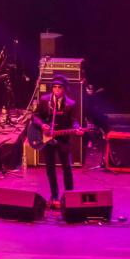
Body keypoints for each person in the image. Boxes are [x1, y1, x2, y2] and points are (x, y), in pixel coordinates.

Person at [32, 74, 79, 208]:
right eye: (54, 87)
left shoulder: (70, 104)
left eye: (59, 87)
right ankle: (54, 195)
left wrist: (77, 129)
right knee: (50, 168)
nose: (56, 90)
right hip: (47, 139)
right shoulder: (44, 100)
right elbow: (35, 116)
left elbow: (73, 122)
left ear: (64, 89)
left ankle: (70, 195)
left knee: (67, 167)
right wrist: (42, 125)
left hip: (62, 139)